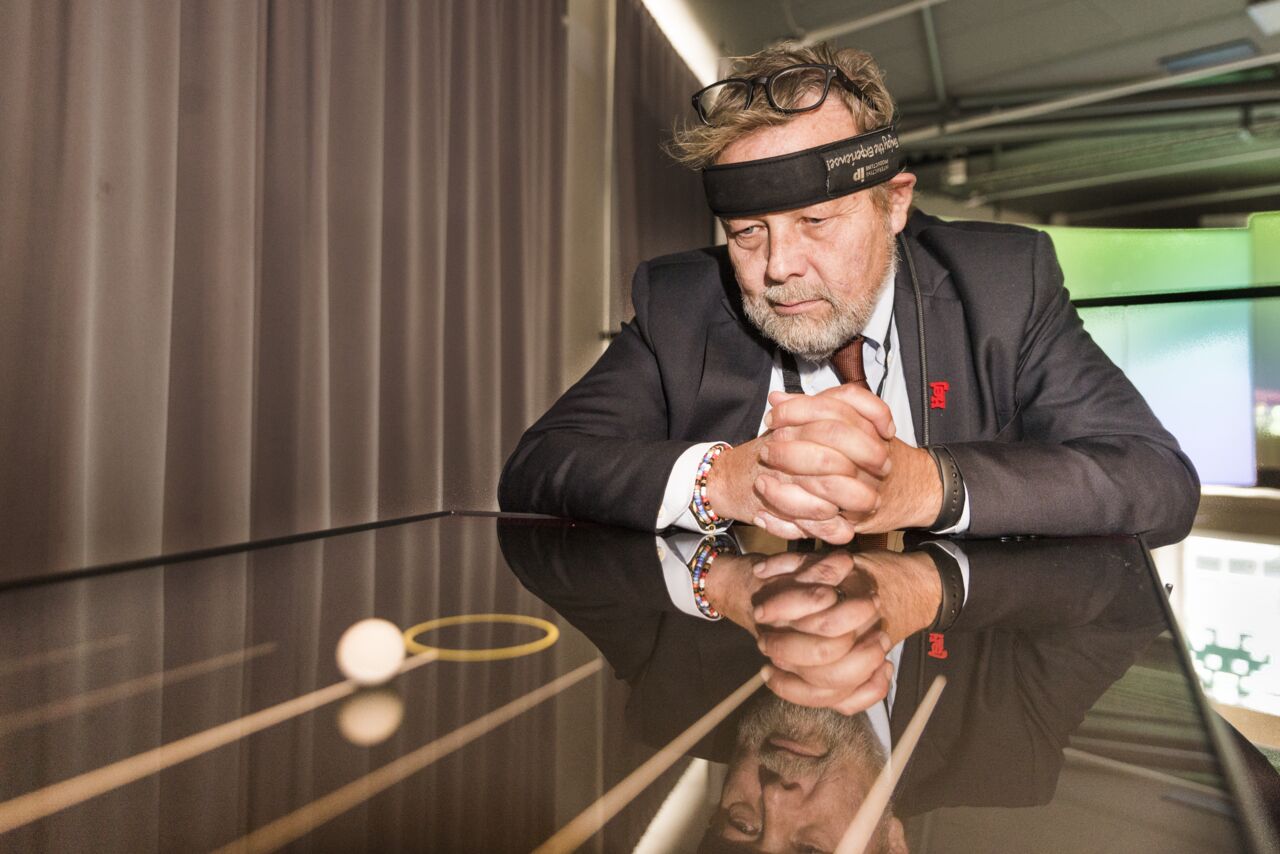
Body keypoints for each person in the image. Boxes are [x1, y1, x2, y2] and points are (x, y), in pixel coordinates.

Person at [499, 42, 1199, 548]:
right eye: (748, 233)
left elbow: (1156, 481)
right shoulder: (678, 302)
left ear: (893, 206)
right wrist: (730, 478)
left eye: (815, 223)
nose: (779, 267)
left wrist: (922, 485)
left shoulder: (1005, 284)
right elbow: (540, 466)